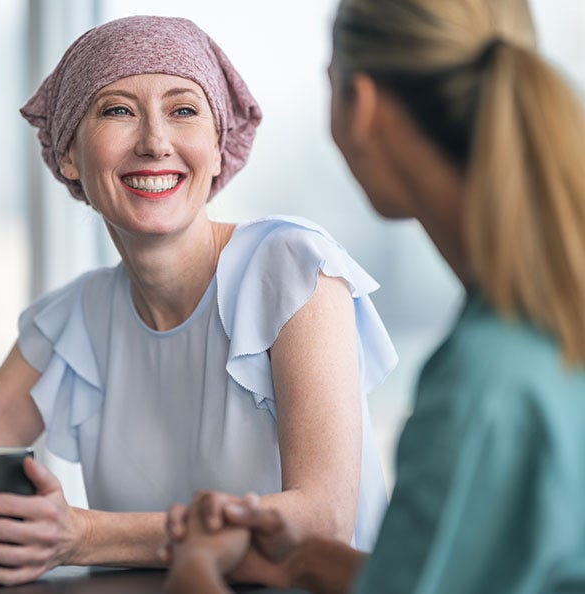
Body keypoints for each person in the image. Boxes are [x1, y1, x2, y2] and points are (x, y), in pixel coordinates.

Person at [0, 15, 398, 587]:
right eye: (118, 110)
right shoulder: (73, 321)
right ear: (69, 155)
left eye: (183, 110)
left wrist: (82, 536)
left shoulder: (292, 269)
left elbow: (322, 520)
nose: (155, 141)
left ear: (219, 148)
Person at [164, 0, 585, 592]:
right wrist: (307, 562)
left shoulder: (481, 390)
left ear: (359, 104)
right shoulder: (543, 337)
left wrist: (194, 567)